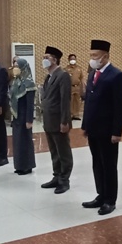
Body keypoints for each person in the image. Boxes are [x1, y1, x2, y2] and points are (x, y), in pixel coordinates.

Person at [81, 39, 122, 215]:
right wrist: (85, 125)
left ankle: (110, 200)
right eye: (91, 55)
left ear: (105, 56)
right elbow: (88, 103)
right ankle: (100, 194)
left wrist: (117, 132)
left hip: (108, 130)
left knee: (108, 165)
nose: (92, 59)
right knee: (97, 163)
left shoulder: (117, 75)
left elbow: (119, 107)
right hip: (93, 129)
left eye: (95, 55)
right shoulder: (92, 74)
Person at [41, 46, 72, 193]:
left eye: (46, 57)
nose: (44, 60)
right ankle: (57, 175)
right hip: (49, 120)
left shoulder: (63, 75)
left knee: (63, 152)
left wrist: (64, 121)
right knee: (54, 151)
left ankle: (64, 180)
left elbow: (65, 100)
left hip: (59, 120)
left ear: (54, 59)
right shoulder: (48, 76)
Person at [9, 57, 37, 175]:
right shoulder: (16, 82)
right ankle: (19, 165)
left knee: (25, 141)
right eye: (14, 66)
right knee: (17, 142)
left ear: (23, 68)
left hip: (24, 117)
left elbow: (30, 104)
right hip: (16, 117)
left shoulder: (29, 83)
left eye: (17, 66)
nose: (15, 68)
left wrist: (29, 120)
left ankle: (27, 166)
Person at [64, 53, 85, 121]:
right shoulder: (66, 69)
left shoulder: (79, 69)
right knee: (70, 101)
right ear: (68, 60)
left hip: (77, 87)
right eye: (71, 59)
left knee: (77, 101)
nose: (73, 60)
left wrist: (83, 87)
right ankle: (70, 114)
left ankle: (76, 114)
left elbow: (82, 78)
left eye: (74, 59)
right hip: (70, 87)